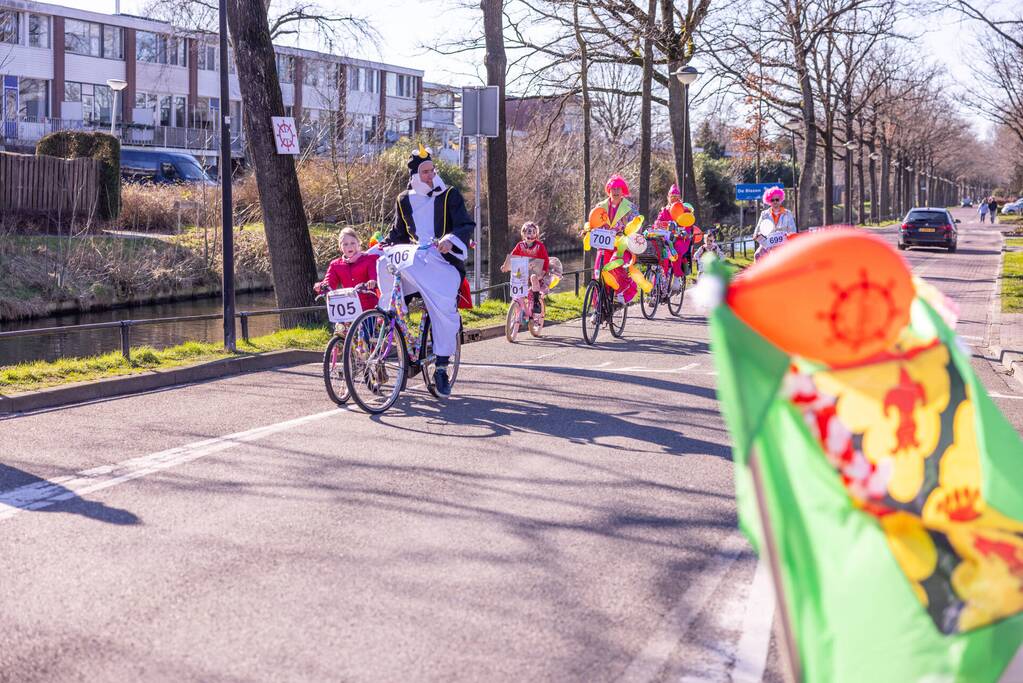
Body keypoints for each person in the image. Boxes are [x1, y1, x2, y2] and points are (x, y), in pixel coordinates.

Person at [377, 145, 474, 396]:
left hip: (443, 262)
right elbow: (398, 232)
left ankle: (441, 366)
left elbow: (465, 224)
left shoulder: (449, 195)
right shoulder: (403, 199)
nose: (431, 176)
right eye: (425, 172)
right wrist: (383, 245)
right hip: (414, 259)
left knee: (442, 309)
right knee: (383, 264)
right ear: (415, 175)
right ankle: (390, 317)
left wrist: (450, 240)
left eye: (432, 170)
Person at [591, 175, 641, 302]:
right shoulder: (600, 206)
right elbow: (593, 222)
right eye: (613, 188)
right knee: (598, 272)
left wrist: (627, 228)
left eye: (618, 188)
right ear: (609, 190)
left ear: (623, 190)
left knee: (615, 263)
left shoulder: (630, 208)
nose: (616, 191)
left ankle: (623, 290)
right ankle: (599, 307)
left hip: (622, 248)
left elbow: (637, 227)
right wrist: (587, 230)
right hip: (604, 246)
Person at [314, 227, 380, 311]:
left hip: (369, 307)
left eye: (353, 243)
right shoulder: (336, 265)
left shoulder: (369, 259)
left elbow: (374, 274)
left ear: (358, 243)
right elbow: (329, 282)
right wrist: (321, 286)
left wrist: (372, 281)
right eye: (345, 244)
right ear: (340, 247)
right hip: (348, 307)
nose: (349, 246)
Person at [502, 221, 550, 295]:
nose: (532, 234)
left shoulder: (539, 246)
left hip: (537, 272)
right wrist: (505, 266)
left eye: (534, 232)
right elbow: (512, 256)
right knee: (517, 276)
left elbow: (546, 260)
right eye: (529, 232)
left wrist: (543, 272)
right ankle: (519, 297)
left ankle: (536, 298)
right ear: (524, 234)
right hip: (524, 271)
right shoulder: (520, 245)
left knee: (533, 278)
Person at [755, 186, 798, 260]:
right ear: (769, 201)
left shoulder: (788, 213)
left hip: (784, 245)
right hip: (767, 245)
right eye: (772, 200)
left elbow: (793, 231)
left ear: (780, 200)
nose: (775, 202)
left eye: (777, 199)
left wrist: (787, 239)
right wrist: (765, 243)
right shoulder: (764, 214)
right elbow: (757, 231)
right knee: (757, 255)